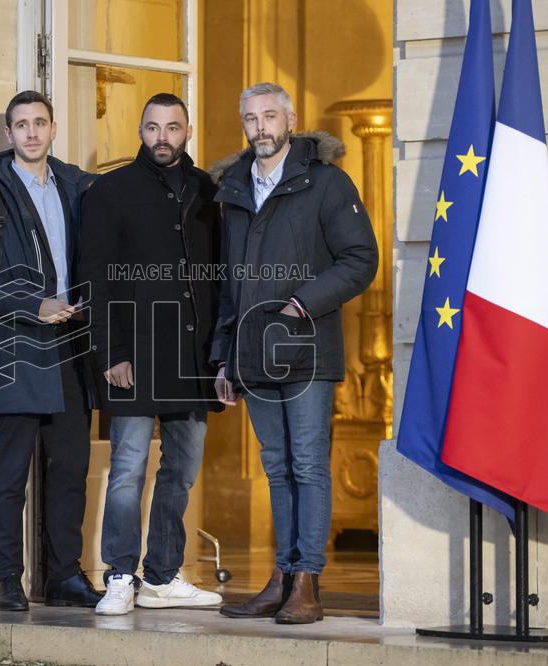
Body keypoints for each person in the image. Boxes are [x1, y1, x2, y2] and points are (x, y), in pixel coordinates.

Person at [212, 82, 378, 624]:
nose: (260, 127)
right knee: (277, 467)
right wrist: (224, 357)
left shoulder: (326, 182)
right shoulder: (234, 188)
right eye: (250, 118)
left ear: (290, 119)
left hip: (307, 349)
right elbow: (229, 284)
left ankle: (307, 580)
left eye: (269, 116)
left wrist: (301, 304)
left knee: (307, 464)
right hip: (254, 353)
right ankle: (282, 577)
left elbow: (360, 258)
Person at [0, 91, 101, 611]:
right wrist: (31, 305)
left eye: (40, 123)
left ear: (54, 129)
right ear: (9, 134)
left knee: (70, 468)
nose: (32, 132)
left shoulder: (78, 188)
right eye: (22, 125)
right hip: (17, 347)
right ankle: (8, 582)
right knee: (11, 472)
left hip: (72, 347)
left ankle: (64, 576)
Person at [77, 93, 223, 616]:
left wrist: (221, 356)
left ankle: (162, 577)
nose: (163, 137)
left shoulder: (208, 190)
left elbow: (219, 278)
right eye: (154, 127)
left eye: (173, 127)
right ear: (141, 131)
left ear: (187, 131)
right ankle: (120, 575)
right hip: (133, 357)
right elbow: (94, 279)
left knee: (181, 471)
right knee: (127, 469)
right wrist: (110, 352)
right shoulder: (109, 191)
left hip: (192, 358)